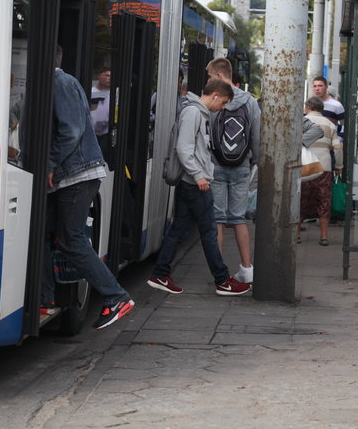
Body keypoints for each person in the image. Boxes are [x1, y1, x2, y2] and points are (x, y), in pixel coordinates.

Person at [43, 47, 134, 330]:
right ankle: (45, 297)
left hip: (76, 175)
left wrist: (49, 164)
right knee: (45, 233)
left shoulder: (60, 82)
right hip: (73, 174)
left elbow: (70, 131)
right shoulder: (61, 83)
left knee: (71, 240)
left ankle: (116, 296)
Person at [148, 78, 252, 296]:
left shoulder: (197, 113)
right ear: (215, 96)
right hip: (196, 183)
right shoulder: (194, 113)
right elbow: (184, 149)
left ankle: (160, 274)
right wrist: (199, 176)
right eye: (223, 103)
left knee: (179, 230)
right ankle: (222, 280)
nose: (222, 108)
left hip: (193, 182)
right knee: (209, 231)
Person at [205, 57, 261, 283]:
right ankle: (247, 269)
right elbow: (256, 136)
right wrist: (252, 161)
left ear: (219, 76)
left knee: (217, 218)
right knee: (238, 218)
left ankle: (219, 272)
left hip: (216, 165)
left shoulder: (216, 98)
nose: (208, 81)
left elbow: (207, 131)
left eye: (210, 77)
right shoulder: (250, 102)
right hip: (241, 166)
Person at [301, 96, 343, 246]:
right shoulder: (329, 124)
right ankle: (323, 236)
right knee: (324, 201)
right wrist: (338, 167)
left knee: (302, 199)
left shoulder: (302, 121)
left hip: (305, 166)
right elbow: (338, 148)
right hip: (324, 167)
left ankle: (297, 233)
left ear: (307, 107)